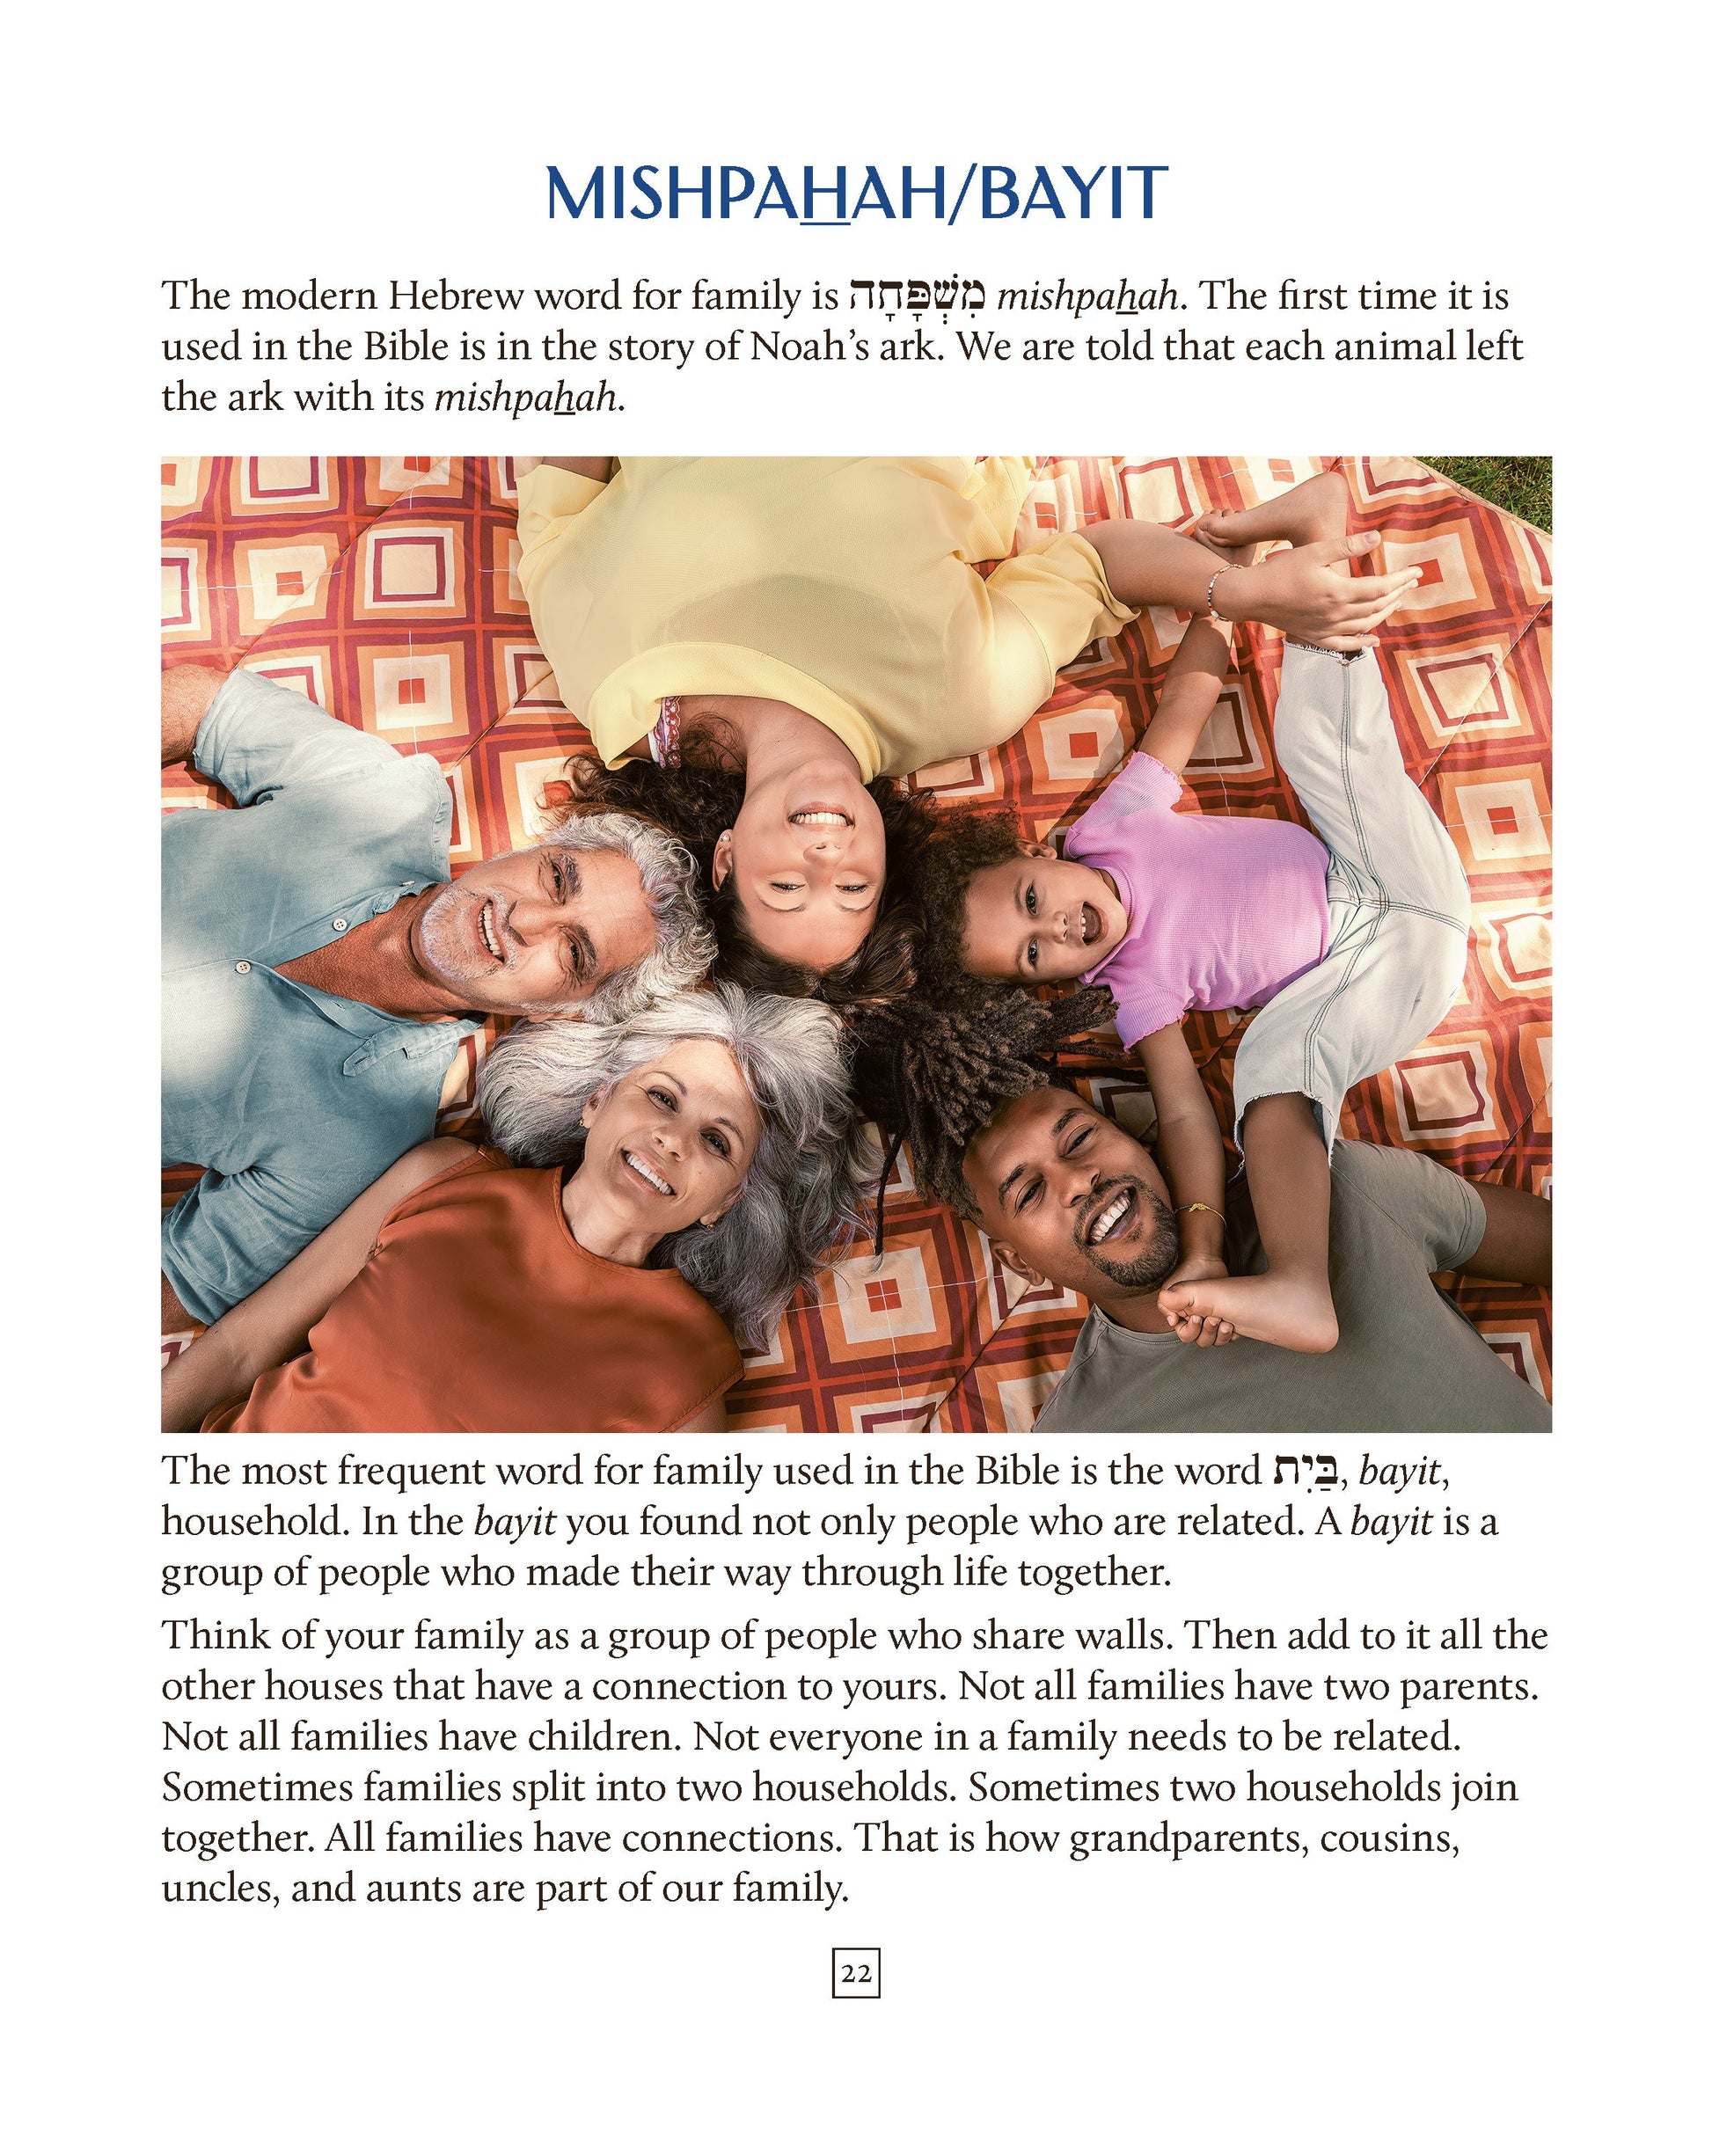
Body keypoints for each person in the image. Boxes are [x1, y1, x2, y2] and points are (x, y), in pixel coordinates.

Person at [512, 455, 1423, 999]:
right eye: (855, 888)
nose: (827, 860)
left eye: (789, 889)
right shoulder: (960, 699)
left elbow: (564, 484)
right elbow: (1099, 565)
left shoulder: (613, 691)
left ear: (723, 858)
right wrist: (1243, 594)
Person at [908, 470, 1467, 1354]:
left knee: (1311, 739)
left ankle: (1312, 537)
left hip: (1375, 854)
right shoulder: (1133, 992)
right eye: (1031, 955)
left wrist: (1224, 587)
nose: (1054, 930)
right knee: (1270, 1069)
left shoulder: (1112, 826)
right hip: (1379, 968)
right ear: (1051, 984)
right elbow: (1181, 1117)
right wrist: (1202, 1241)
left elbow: (1186, 703)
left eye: (1029, 903)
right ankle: (1297, 1280)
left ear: (1040, 855)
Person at [162, 664, 713, 1333]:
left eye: (573, 952)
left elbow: (178, 1281)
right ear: (534, 847)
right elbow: (207, 706)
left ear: (568, 1011)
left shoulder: (361, 1150)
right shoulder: (380, 798)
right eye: (557, 877)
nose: (525, 919)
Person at [160, 985, 873, 1435]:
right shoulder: (442, 1179)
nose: (672, 1139)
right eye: (662, 1095)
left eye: (717, 1141)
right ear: (597, 1100)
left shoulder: (687, 1379)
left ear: (726, 1203)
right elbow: (237, 1350)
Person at [851, 993, 1551, 1435]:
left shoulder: (1338, 1184)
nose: (1078, 1180)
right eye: (1028, 1192)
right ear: (1015, 1259)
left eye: (1079, 1138)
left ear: (1136, 1135)